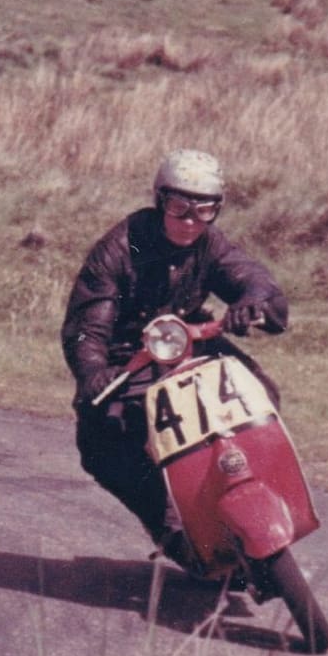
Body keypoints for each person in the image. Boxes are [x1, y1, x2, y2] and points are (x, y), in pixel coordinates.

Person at [61, 149, 289, 572]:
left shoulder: (210, 244)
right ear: (159, 200)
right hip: (127, 358)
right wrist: (92, 371)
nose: (189, 221)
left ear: (215, 212)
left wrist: (251, 301)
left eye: (203, 210)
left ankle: (265, 496)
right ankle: (172, 530)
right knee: (103, 443)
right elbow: (87, 328)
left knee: (260, 392)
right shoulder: (118, 248)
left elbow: (253, 278)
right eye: (178, 207)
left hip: (190, 341)